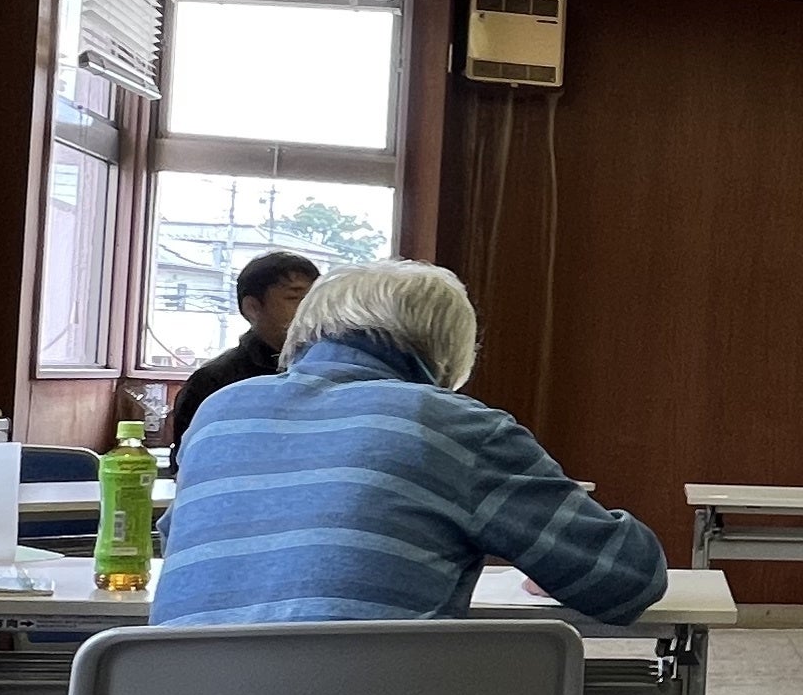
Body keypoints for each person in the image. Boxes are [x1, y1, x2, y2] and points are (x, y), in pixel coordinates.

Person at [154, 261, 664, 626]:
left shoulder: (220, 413)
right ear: (449, 348)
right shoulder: (454, 425)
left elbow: (177, 536)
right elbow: (625, 581)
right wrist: (548, 554)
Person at [164, 248, 318, 449]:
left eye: (315, 299)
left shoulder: (330, 370)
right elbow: (187, 460)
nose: (311, 309)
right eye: (295, 298)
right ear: (252, 308)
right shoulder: (214, 381)